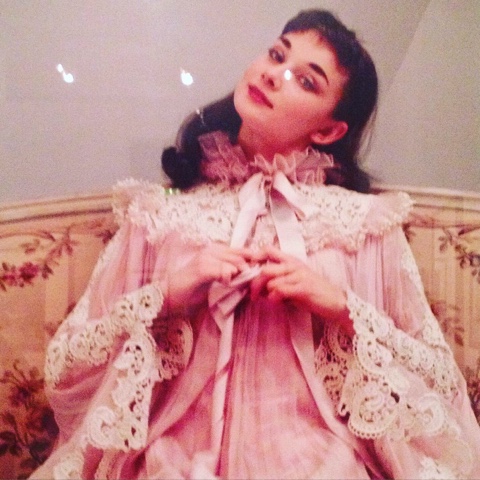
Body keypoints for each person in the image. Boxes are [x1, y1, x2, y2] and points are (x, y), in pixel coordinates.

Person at [31, 9, 480, 480]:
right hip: (172, 457)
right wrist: (169, 294)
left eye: (306, 81)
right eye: (276, 55)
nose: (272, 74)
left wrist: (340, 306)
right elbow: (68, 363)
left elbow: (436, 377)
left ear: (329, 130)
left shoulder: (365, 224)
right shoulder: (158, 214)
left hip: (319, 461)